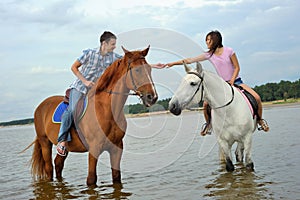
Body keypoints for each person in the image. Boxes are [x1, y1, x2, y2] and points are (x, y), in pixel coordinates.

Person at [57, 31, 164, 156]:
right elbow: (74, 67)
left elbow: (134, 64)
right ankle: (62, 141)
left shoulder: (114, 57)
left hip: (98, 89)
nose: (114, 47)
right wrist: (85, 81)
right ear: (104, 43)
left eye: (115, 44)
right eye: (112, 44)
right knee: (72, 110)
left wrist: (152, 65)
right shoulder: (89, 53)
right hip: (80, 88)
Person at [165, 30, 269, 136]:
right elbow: (189, 60)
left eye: (209, 40)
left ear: (216, 40)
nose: (207, 42)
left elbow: (237, 67)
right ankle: (208, 124)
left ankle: (260, 120)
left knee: (256, 97)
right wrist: (172, 63)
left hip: (236, 81)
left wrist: (232, 80)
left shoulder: (229, 51)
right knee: (206, 105)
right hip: (221, 85)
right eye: (206, 40)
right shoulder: (209, 55)